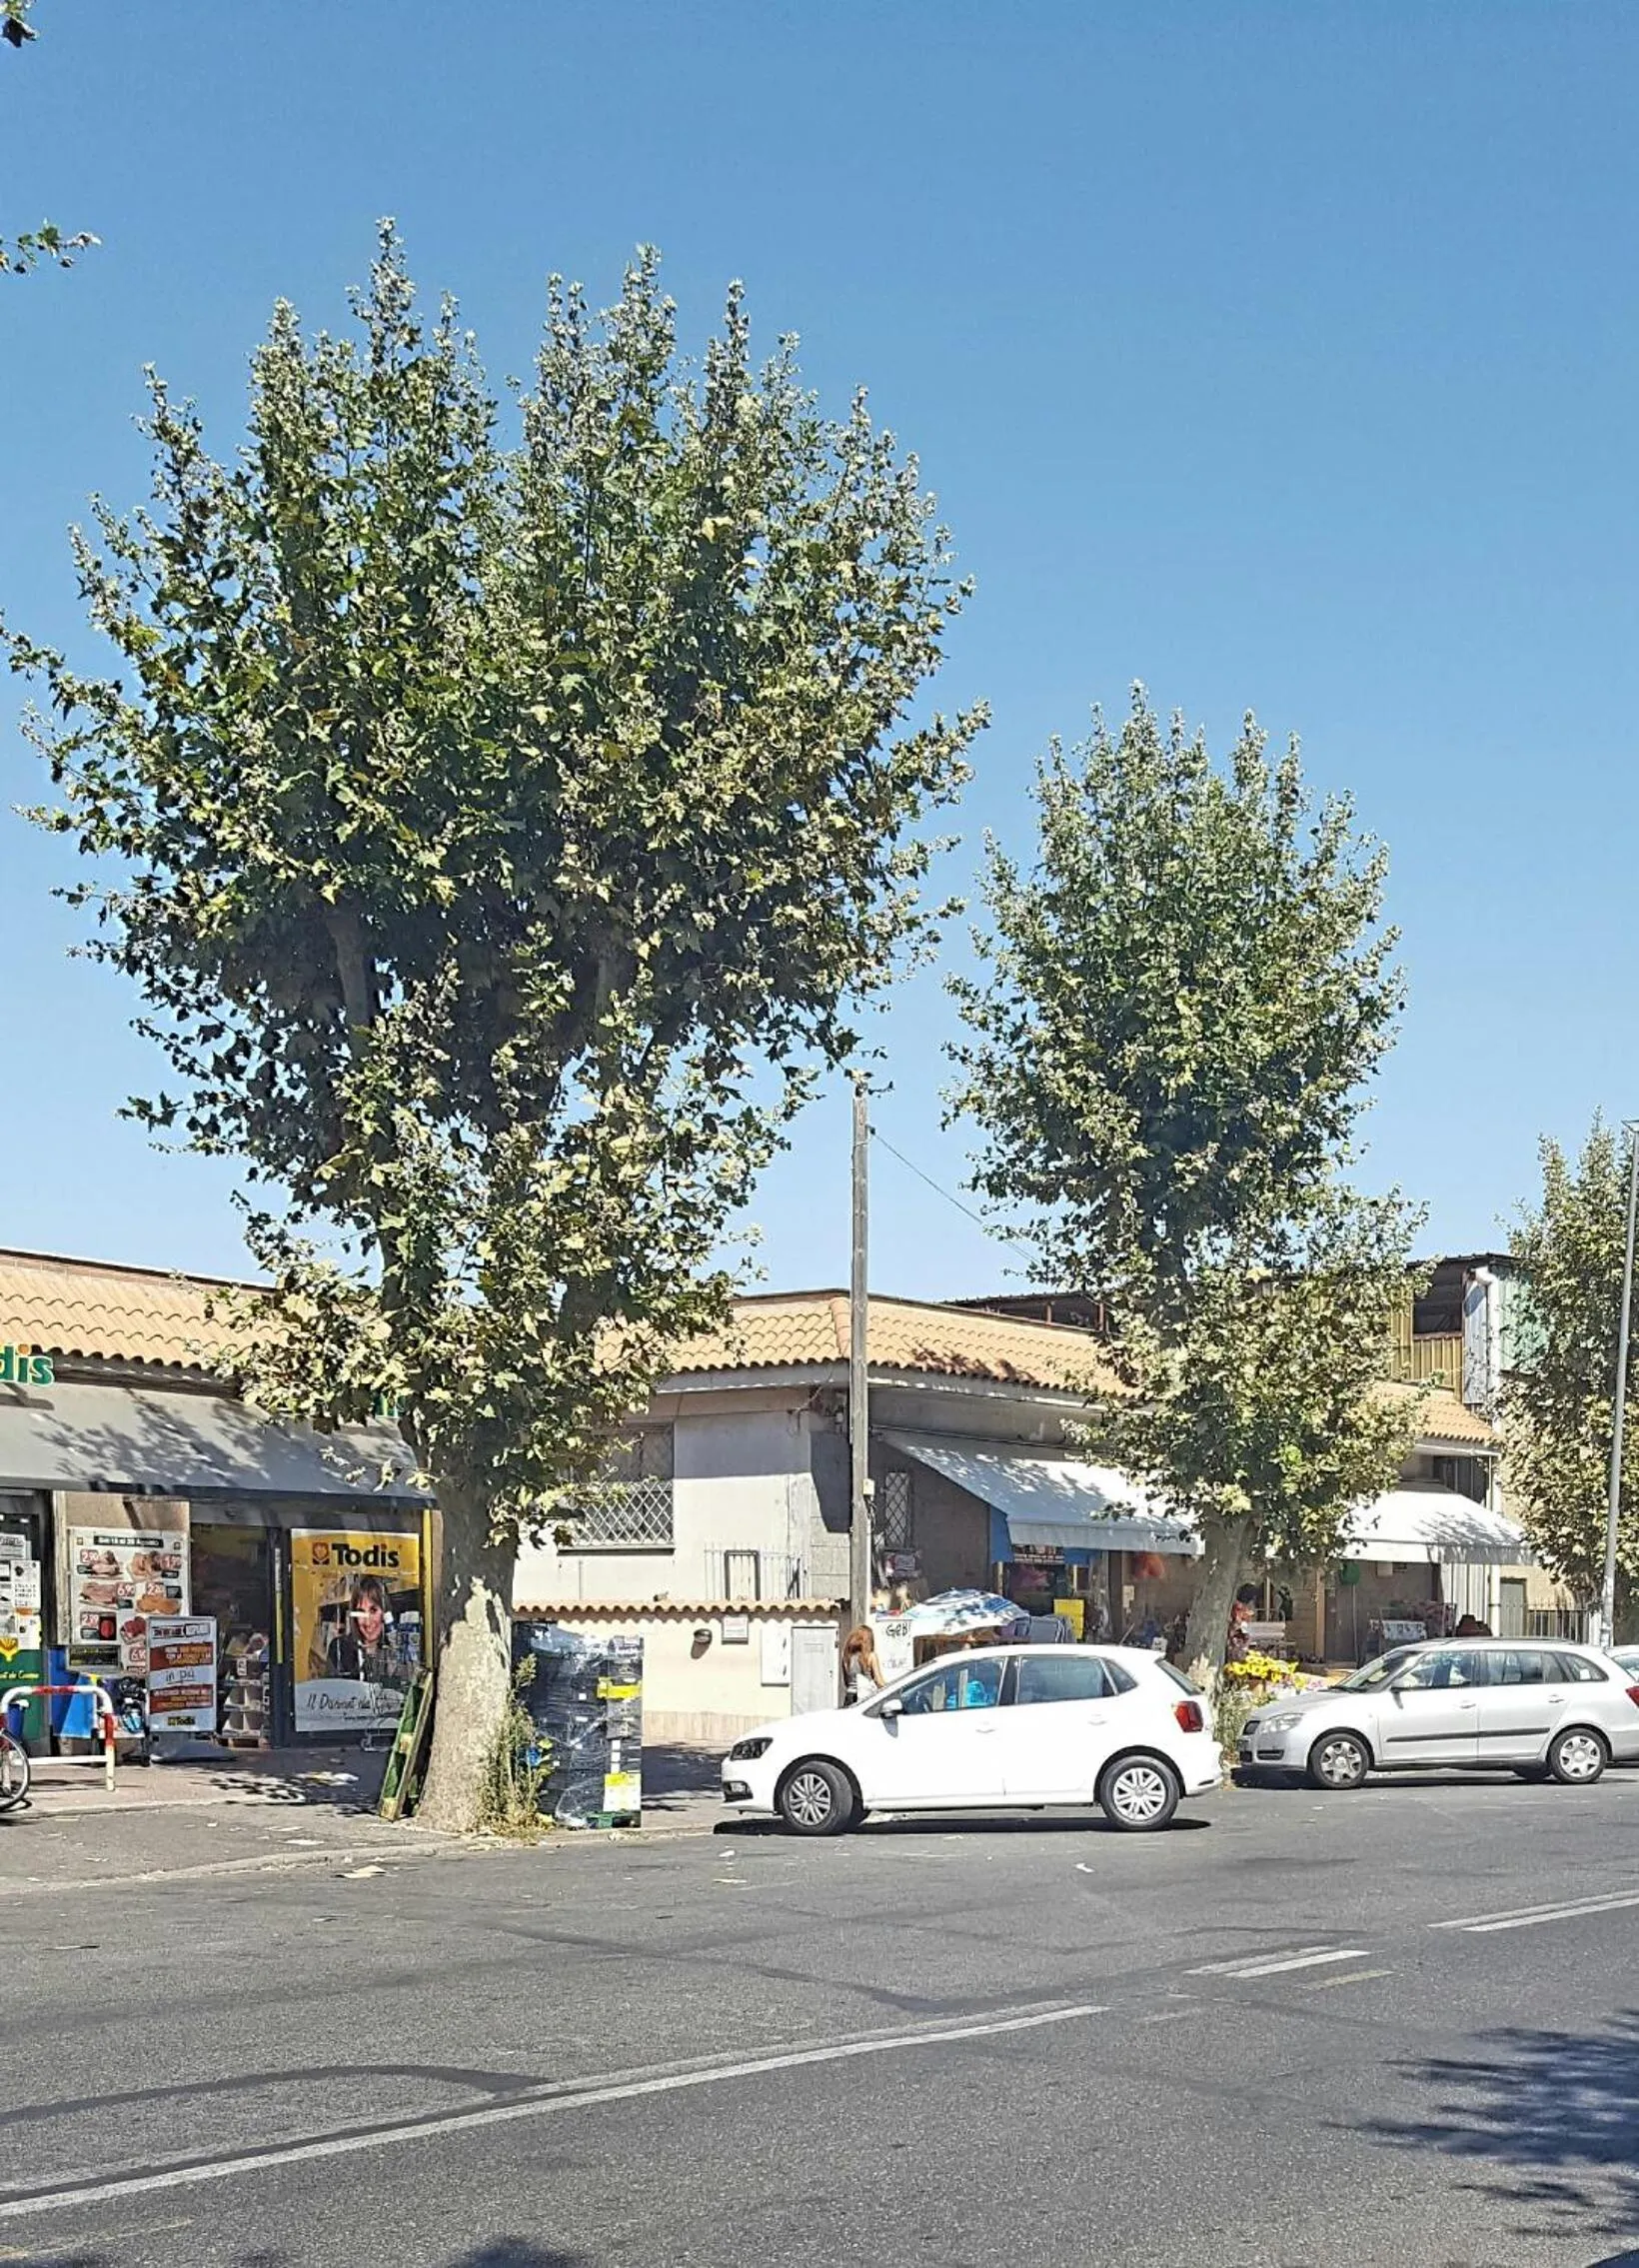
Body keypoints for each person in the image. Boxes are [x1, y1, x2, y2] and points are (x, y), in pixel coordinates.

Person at [326, 1574, 400, 1683]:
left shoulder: (397, 1650)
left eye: (373, 1610)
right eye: (361, 1612)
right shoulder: (339, 1649)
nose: (367, 1622)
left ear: (385, 1613)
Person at [840, 1623, 883, 1707]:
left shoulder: (846, 1657)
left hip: (849, 1696)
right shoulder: (871, 1656)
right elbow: (879, 1681)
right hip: (866, 1696)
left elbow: (846, 1682)